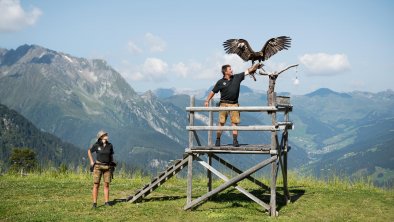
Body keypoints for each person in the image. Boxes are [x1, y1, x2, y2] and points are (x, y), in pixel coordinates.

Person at [204, 63, 261, 147]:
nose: (232, 70)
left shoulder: (237, 77)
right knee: (221, 123)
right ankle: (218, 140)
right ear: (225, 72)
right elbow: (213, 92)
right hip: (223, 104)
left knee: (235, 123)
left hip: (234, 104)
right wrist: (207, 100)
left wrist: (254, 67)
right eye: (230, 69)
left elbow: (247, 71)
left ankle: (235, 141)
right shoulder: (220, 82)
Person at [88, 130, 115, 208]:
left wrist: (112, 164)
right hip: (98, 167)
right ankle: (94, 204)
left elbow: (111, 155)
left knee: (106, 184)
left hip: (107, 167)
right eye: (105, 134)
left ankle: (106, 202)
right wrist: (91, 162)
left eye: (106, 134)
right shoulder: (96, 145)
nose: (107, 135)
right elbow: (89, 151)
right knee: (96, 184)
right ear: (101, 136)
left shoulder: (110, 145)